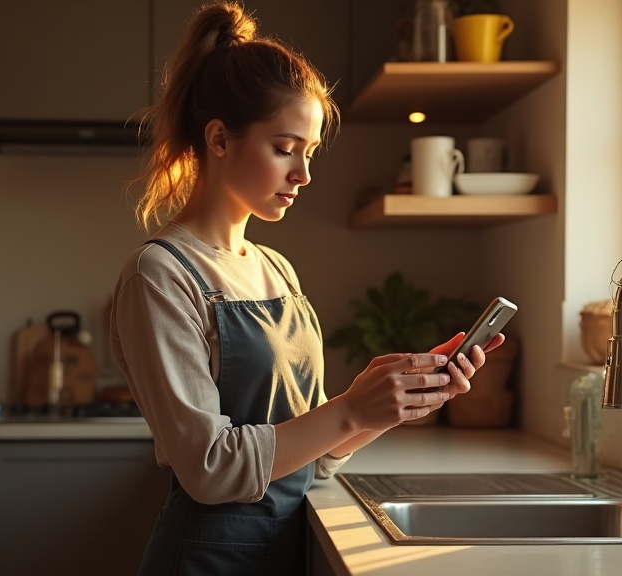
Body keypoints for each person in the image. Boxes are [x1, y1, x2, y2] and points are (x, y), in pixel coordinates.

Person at [109, 2, 505, 574]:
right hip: (206, 561)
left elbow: (310, 458)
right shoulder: (160, 274)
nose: (304, 174)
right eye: (284, 148)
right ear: (219, 139)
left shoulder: (277, 270)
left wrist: (385, 407)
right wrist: (348, 410)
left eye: (309, 152)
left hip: (283, 552)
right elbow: (209, 467)